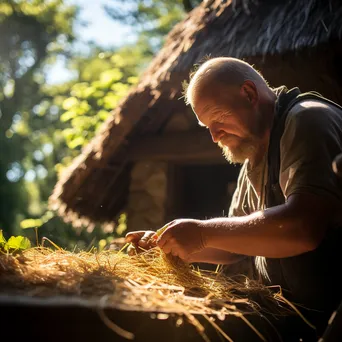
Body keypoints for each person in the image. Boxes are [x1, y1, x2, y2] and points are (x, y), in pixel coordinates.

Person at [125, 57, 342, 340]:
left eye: (218, 119)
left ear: (249, 94)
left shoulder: (307, 120)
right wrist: (168, 244)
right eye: (207, 127)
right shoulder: (254, 156)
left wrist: (202, 232)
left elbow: (302, 228)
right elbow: (232, 246)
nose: (214, 136)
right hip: (299, 322)